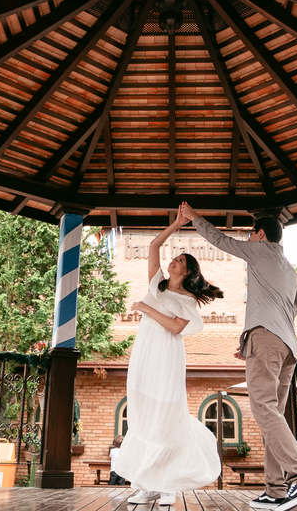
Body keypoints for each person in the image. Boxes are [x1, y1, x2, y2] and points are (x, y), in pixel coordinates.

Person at [178, 202, 297, 511]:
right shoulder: (290, 270)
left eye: (250, 234)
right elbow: (291, 310)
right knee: (274, 416)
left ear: (259, 234)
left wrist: (194, 218)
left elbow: (220, 240)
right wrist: (251, 339)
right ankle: (275, 489)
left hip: (267, 340)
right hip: (286, 346)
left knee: (264, 410)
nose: (248, 238)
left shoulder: (260, 251)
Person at [117, 217, 223, 506]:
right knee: (143, 415)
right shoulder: (156, 285)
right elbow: (154, 245)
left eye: (178, 260)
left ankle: (169, 485)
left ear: (187, 270)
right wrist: (176, 223)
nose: (172, 261)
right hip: (144, 352)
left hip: (167, 355)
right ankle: (148, 483)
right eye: (173, 258)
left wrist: (147, 309)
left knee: (165, 417)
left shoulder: (188, 300)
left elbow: (176, 327)